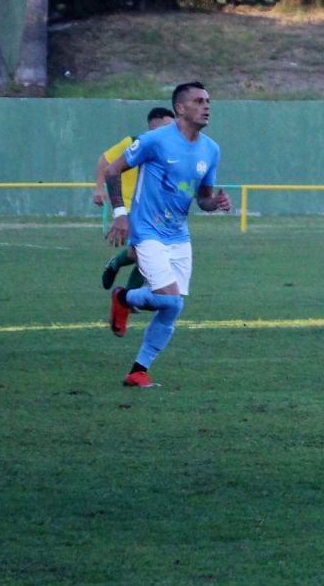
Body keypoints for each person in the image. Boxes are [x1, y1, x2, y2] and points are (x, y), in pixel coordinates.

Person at [102, 81, 231, 388]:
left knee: (173, 307)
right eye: (199, 101)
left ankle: (138, 369)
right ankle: (124, 298)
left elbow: (202, 198)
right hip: (147, 232)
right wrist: (121, 215)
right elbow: (111, 170)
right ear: (180, 108)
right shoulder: (154, 141)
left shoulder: (211, 149)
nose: (207, 106)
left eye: (208, 101)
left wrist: (216, 203)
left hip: (178, 236)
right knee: (171, 303)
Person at [93, 107, 176, 293]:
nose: (174, 131)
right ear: (155, 124)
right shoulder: (134, 142)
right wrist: (99, 187)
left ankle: (118, 270)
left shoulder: (169, 149)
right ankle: (128, 297)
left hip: (155, 210)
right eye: (169, 126)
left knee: (144, 253)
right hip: (130, 205)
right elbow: (105, 160)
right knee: (146, 254)